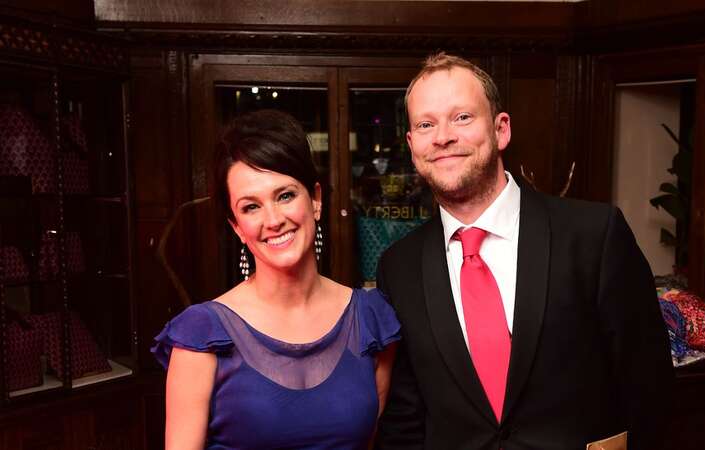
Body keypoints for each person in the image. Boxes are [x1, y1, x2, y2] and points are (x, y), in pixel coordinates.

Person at [375, 53, 673, 450]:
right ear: (413, 146)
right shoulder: (400, 267)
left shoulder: (592, 235)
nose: (443, 136)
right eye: (426, 124)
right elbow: (404, 420)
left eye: (462, 117)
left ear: (501, 129)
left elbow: (649, 391)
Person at [151, 109, 400, 450]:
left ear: (315, 199)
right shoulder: (202, 335)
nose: (273, 220)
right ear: (236, 226)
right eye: (250, 207)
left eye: (285, 195)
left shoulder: (371, 320)